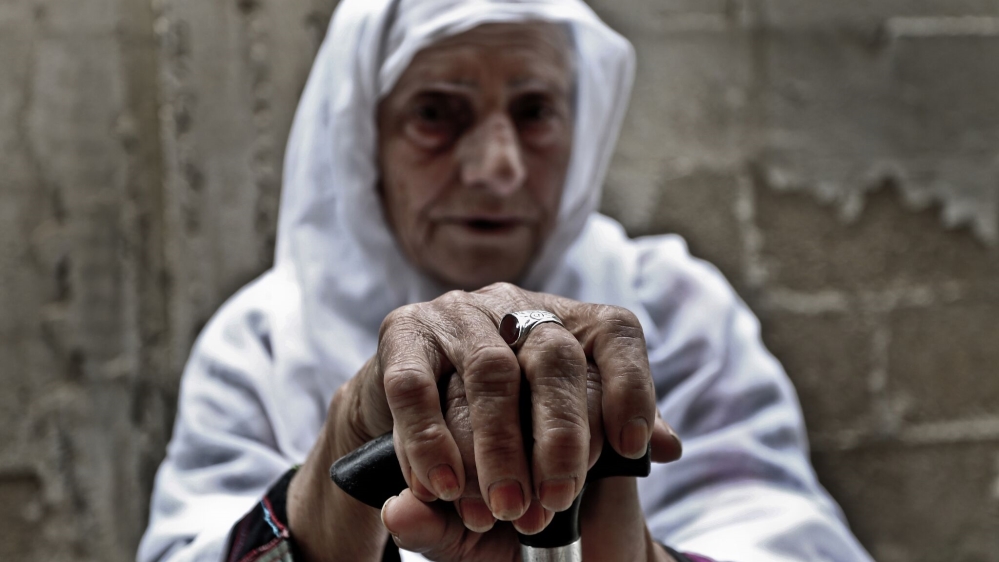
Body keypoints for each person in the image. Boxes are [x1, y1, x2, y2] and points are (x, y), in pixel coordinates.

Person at [138, 1, 874, 561]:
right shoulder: (262, 341)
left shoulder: (673, 309)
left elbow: (780, 530)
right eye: (436, 114)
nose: (498, 167)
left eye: (535, 112)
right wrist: (344, 458)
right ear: (365, 138)